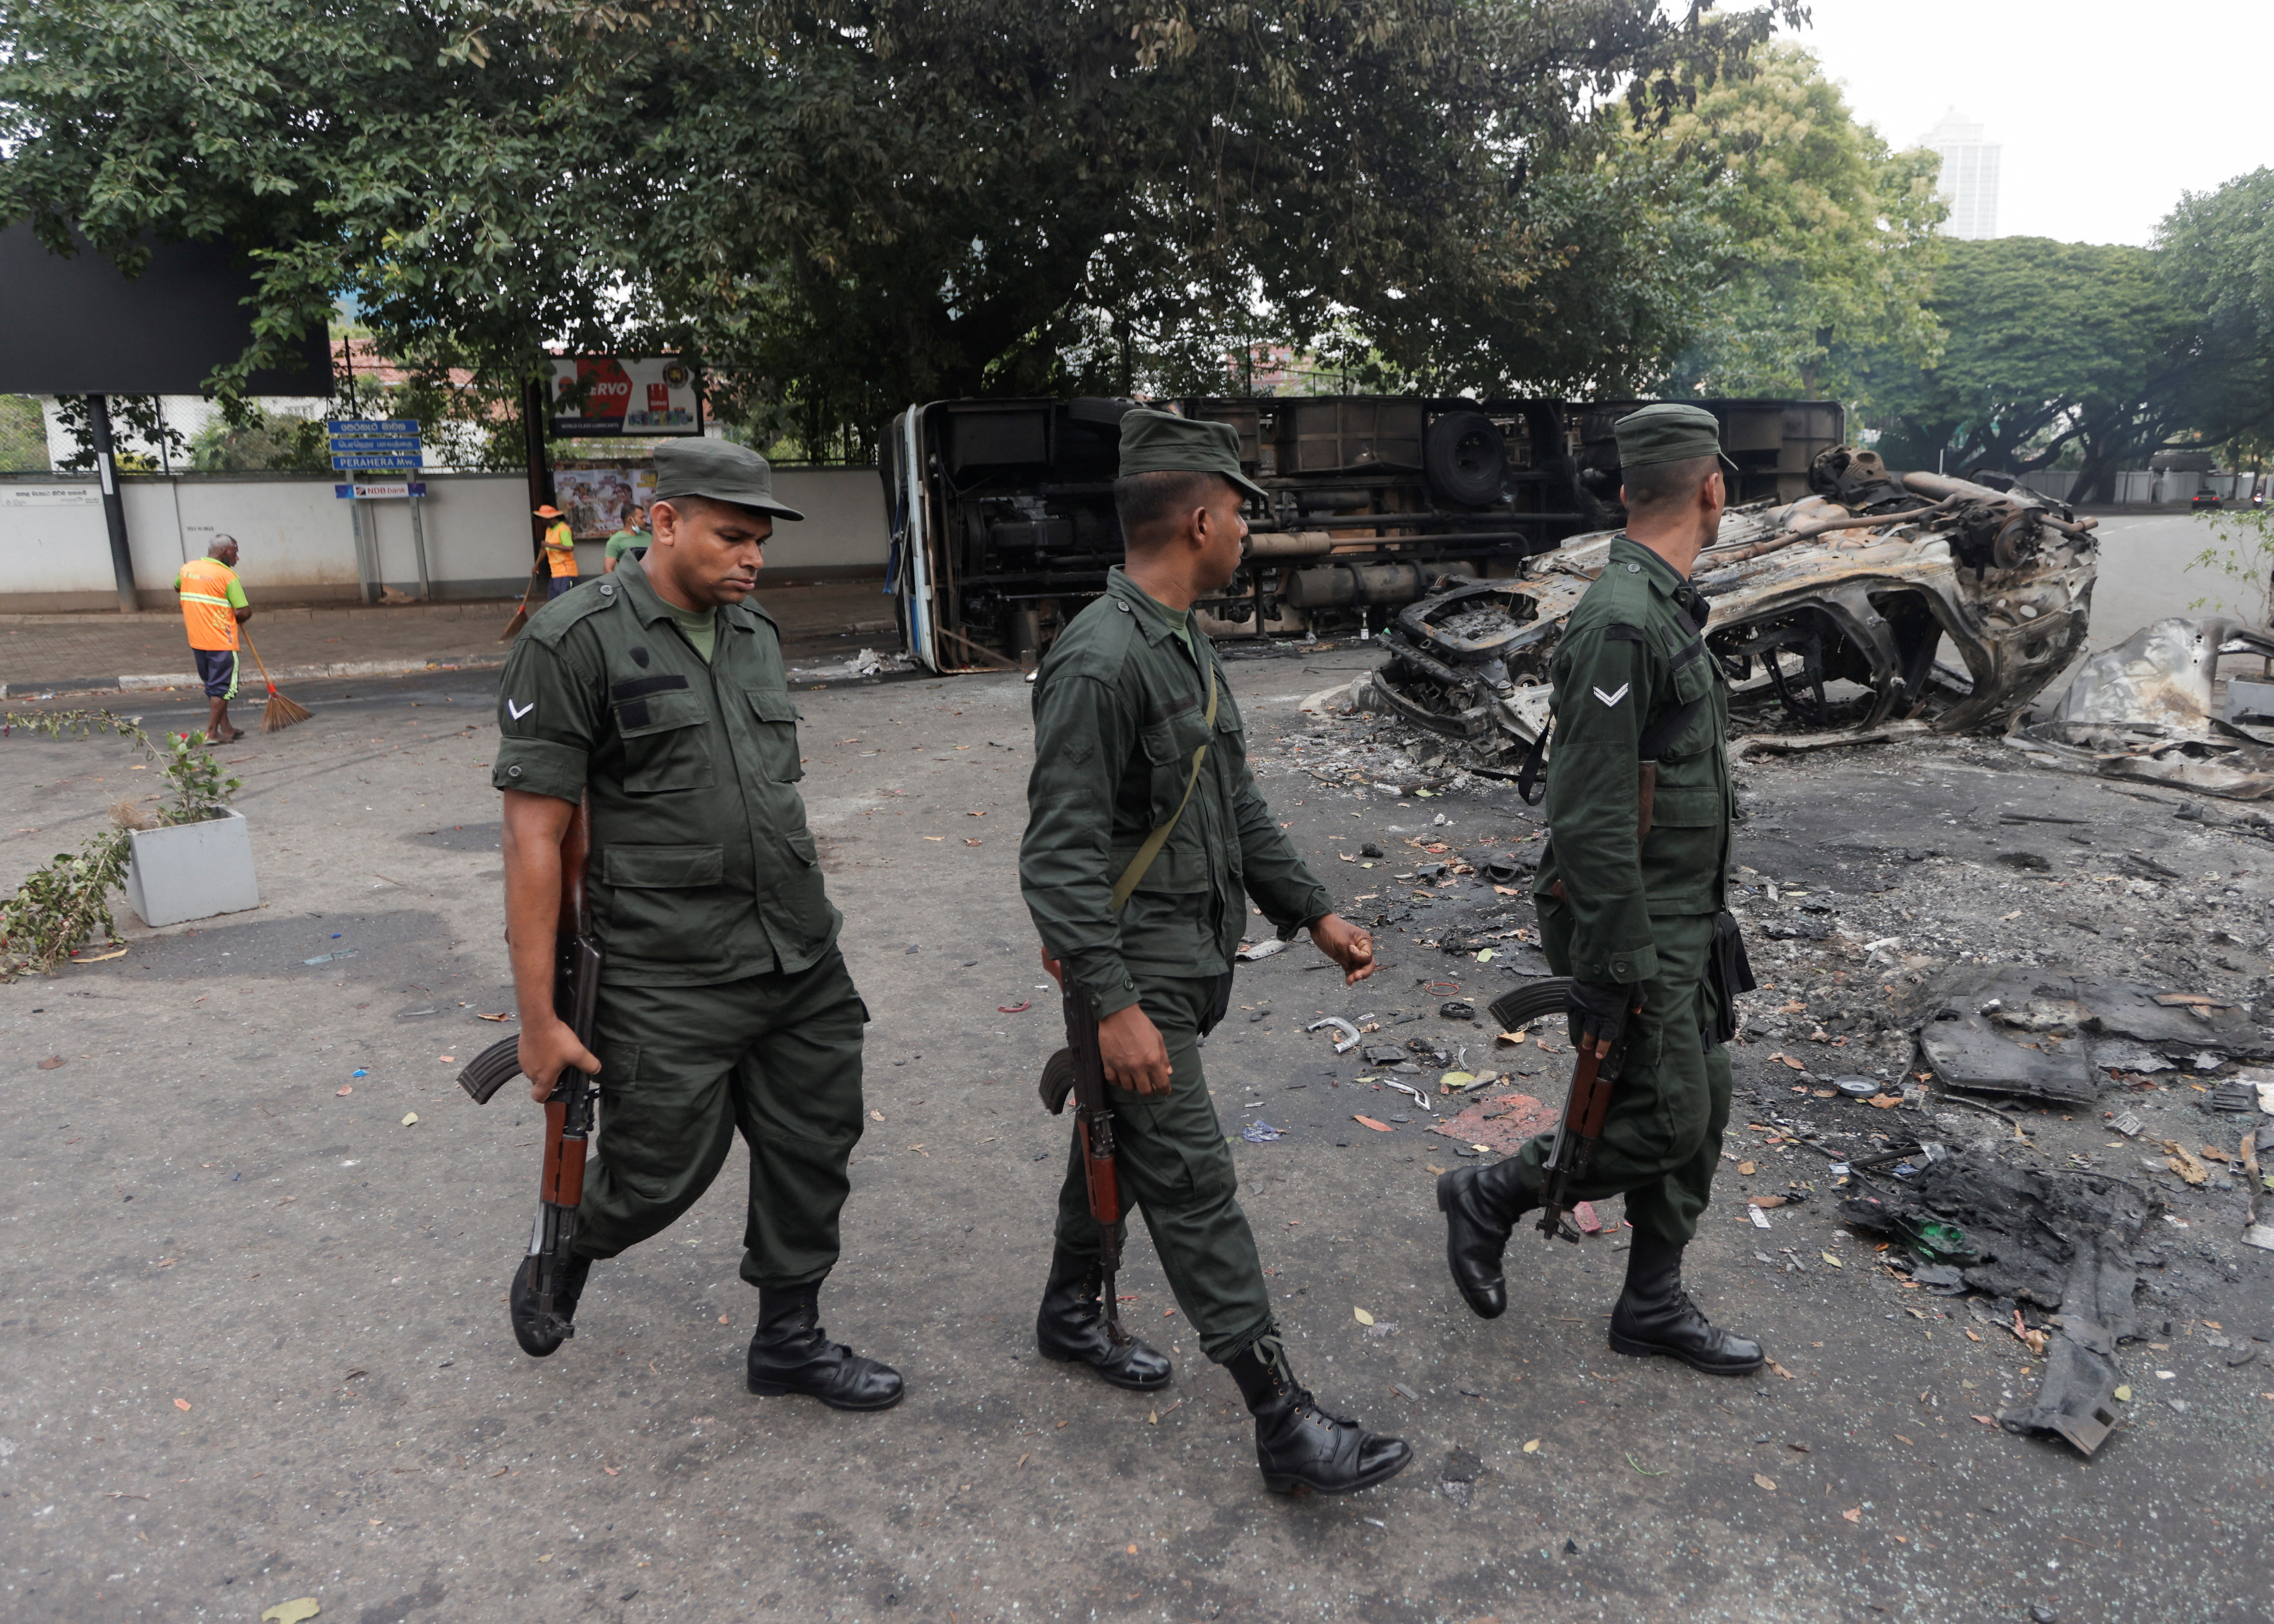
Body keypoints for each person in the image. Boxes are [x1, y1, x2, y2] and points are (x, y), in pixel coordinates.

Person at [1019, 407, 1411, 1495]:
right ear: (1200, 518)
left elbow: (1233, 806)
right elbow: (1053, 861)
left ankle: (1066, 1314)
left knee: (1122, 1143)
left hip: (1191, 959)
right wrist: (1109, 1002)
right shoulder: (1099, 663)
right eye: (1239, 510)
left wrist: (1313, 913)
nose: (1246, 529)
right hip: (1137, 973)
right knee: (1190, 1177)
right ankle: (1281, 1419)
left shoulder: (1181, 641)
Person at [490, 438, 901, 1410]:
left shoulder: (753, 633)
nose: (752, 558)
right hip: (667, 969)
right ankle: (570, 1241)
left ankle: (790, 1340)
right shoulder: (571, 640)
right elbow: (532, 840)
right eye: (732, 536)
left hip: (796, 949)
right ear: (663, 522)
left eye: (759, 540)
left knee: (814, 1144)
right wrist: (540, 1017)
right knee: (661, 1168)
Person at [1436, 402, 1763, 1377]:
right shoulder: (1621, 620)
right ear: (1711, 487)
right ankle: (1490, 1193)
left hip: (1682, 908)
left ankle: (1650, 1302)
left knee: (1704, 1090)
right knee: (1665, 1117)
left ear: (1629, 489)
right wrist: (1612, 962)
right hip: (1635, 919)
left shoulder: (1660, 604)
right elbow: (1584, 816)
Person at [174, 534, 252, 744]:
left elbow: (178, 587)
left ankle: (226, 729)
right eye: (235, 553)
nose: (237, 558)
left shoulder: (187, 569)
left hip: (197, 639)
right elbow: (244, 613)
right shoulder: (228, 576)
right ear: (225, 552)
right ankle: (211, 733)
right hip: (221, 641)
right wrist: (226, 613)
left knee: (213, 686)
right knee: (222, 688)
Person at [538, 503, 578, 598]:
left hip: (566, 572)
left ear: (551, 518)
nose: (543, 522)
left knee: (565, 601)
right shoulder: (549, 530)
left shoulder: (564, 529)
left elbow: (570, 548)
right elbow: (545, 549)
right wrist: (537, 565)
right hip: (555, 572)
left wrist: (548, 545)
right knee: (553, 601)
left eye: (544, 519)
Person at [603, 504, 650, 572]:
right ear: (631, 520)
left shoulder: (648, 537)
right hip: (630, 581)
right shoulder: (616, 540)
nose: (645, 521)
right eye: (642, 518)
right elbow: (607, 569)